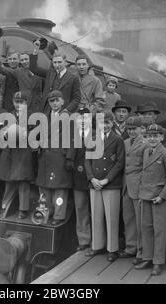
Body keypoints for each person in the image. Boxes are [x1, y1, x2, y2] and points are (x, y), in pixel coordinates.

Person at [134, 124, 166, 276]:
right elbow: (144, 174)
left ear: (161, 137)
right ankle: (147, 257)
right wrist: (140, 194)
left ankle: (158, 262)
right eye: (149, 136)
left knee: (159, 230)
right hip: (145, 196)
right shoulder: (146, 151)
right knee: (146, 228)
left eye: (156, 136)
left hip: (159, 198)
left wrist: (162, 196)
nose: (152, 138)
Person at [84, 111, 125, 262]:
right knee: (96, 216)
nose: (105, 125)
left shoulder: (117, 139)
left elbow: (120, 162)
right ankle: (97, 246)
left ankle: (112, 249)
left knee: (111, 217)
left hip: (111, 184)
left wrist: (107, 180)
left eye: (108, 122)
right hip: (94, 183)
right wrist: (92, 178)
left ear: (112, 123)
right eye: (102, 122)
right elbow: (87, 160)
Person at [36, 90, 74, 225]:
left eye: (57, 100)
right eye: (51, 101)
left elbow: (71, 138)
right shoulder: (44, 117)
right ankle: (47, 212)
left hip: (60, 157)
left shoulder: (68, 117)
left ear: (63, 101)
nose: (54, 103)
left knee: (59, 189)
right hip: (46, 156)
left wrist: (69, 158)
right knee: (45, 187)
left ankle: (58, 215)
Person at [0, 92, 35, 219]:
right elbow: (3, 132)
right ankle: (6, 205)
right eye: (16, 102)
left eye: (22, 102)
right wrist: (6, 133)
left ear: (26, 103)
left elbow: (37, 135)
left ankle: (23, 209)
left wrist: (26, 133)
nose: (19, 105)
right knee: (9, 181)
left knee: (23, 182)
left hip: (24, 153)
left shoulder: (32, 116)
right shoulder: (9, 115)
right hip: (11, 152)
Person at [120, 116, 149, 264]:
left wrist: (142, 185)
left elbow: (146, 167)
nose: (131, 131)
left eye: (134, 129)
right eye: (129, 129)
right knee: (128, 218)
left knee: (140, 220)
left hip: (138, 186)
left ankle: (141, 251)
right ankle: (130, 247)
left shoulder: (146, 144)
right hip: (126, 186)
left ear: (141, 129)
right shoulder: (124, 143)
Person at [67, 107, 92, 251]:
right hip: (77, 179)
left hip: (93, 180)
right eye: (80, 118)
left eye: (86, 118)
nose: (82, 121)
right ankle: (83, 239)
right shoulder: (72, 136)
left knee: (96, 212)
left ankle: (98, 240)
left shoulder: (96, 136)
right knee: (81, 209)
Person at [30, 42, 81, 114]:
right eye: (55, 62)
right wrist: (36, 50)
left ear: (65, 62)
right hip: (47, 112)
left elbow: (76, 98)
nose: (57, 65)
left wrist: (67, 110)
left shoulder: (73, 78)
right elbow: (33, 69)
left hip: (63, 112)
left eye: (59, 62)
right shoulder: (50, 74)